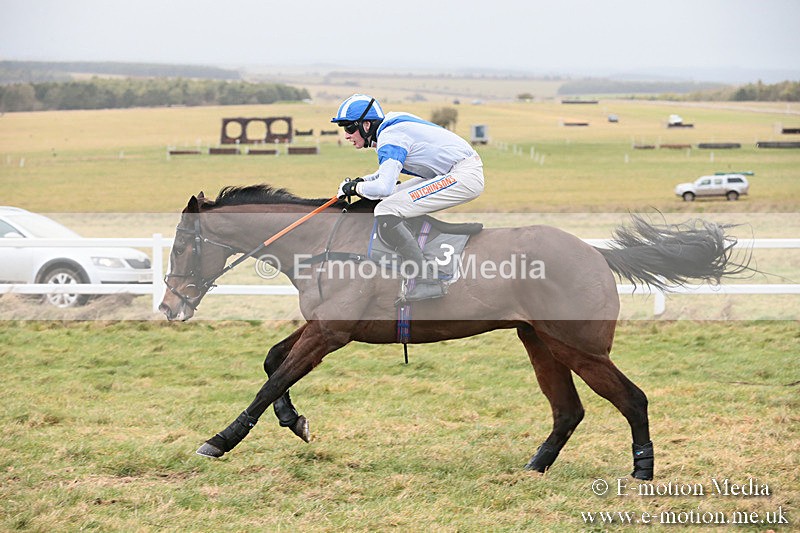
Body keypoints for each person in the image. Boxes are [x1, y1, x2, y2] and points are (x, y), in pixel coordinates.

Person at [332, 93, 484, 301]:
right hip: (451, 171)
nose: (347, 135)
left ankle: (426, 281)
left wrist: (356, 188)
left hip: (462, 175)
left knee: (386, 209)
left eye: (349, 128)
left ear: (366, 125)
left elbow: (384, 186)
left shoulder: (391, 136)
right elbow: (385, 177)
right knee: (392, 200)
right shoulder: (390, 128)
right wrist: (359, 183)